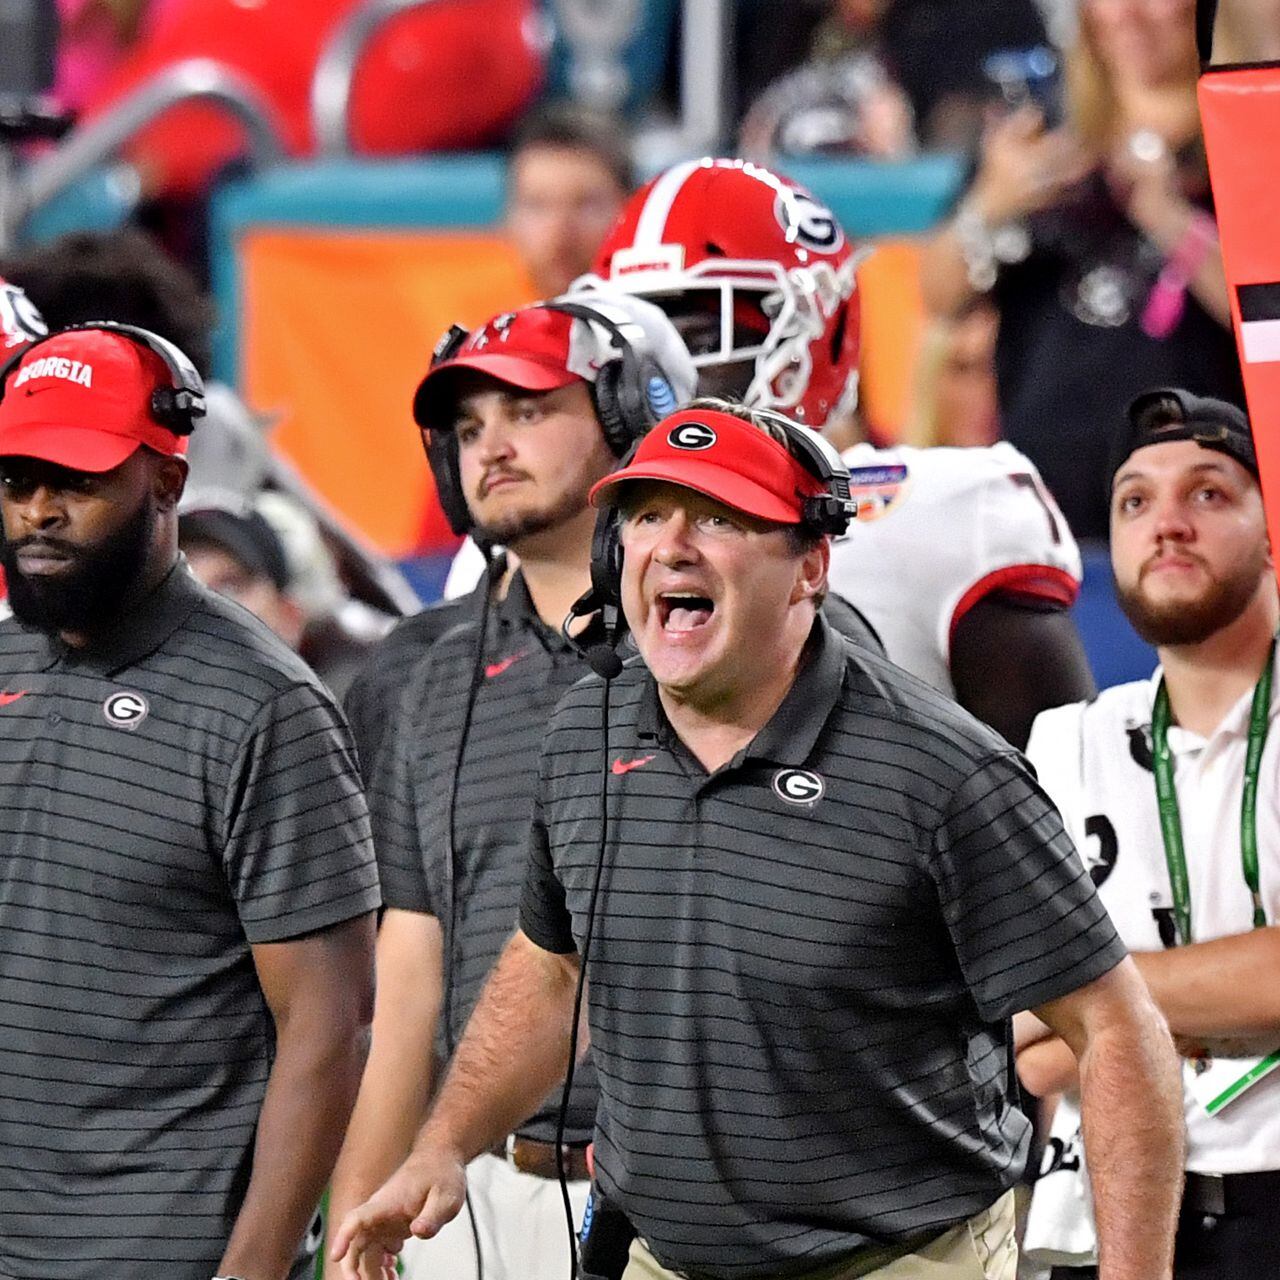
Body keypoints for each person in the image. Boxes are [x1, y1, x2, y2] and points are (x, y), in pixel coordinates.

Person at [332, 400, 1185, 1280]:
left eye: (721, 516)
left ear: (811, 564)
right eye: (649, 515)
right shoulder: (586, 729)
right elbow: (552, 966)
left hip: (898, 1264)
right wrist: (444, 1144)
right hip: (660, 1262)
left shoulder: (943, 772)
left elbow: (1119, 1033)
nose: (673, 544)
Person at [327, 291, 699, 1280]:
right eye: (467, 426)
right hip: (477, 1193)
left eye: (528, 411)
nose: (490, 444)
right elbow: (404, 978)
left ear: (632, 413)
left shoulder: (730, 642)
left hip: (699, 1191)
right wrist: (355, 1223)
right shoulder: (412, 672)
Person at [0, 323, 380, 1280]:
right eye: (17, 481)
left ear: (166, 483)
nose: (39, 509)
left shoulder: (267, 707)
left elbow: (329, 1029)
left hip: (166, 1255)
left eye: (76, 480)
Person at [580, 156, 1095, 748]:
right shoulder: (556, 538)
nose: (658, 379)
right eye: (634, 343)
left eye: (697, 339)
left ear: (809, 336)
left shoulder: (936, 512)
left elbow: (1059, 799)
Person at [1018, 389, 1280, 1279]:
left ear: (1272, 526)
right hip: (1119, 1217)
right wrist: (1226, 993)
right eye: (1135, 500)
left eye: (1208, 493)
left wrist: (1098, 1017)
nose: (1165, 522)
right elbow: (1018, 1030)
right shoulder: (1066, 742)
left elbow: (1060, 1026)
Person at [919, 0, 1244, 539]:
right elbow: (938, 294)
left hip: (1198, 518)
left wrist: (1172, 220)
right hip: (1045, 515)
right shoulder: (1039, 141)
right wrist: (989, 206)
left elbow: (1264, 315)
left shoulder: (1252, 140)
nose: (1130, 14)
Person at [506, 105, 634, 300]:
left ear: (632, 211)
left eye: (586, 205)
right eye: (537, 205)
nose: (559, 232)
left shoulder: (669, 324)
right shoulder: (474, 321)